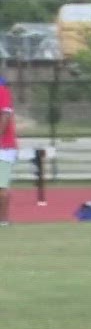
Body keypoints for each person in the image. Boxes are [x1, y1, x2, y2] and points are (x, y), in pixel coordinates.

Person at [0, 72, 15, 227]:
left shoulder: (2, 91)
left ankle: (3, 220)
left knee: (1, 185)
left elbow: (5, 116)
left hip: (3, 147)